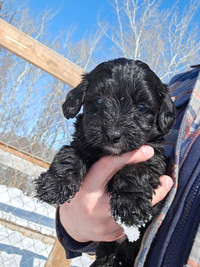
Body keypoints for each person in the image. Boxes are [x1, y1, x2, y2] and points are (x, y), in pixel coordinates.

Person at [56, 65, 200, 266]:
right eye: (99, 101)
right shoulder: (181, 84)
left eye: (141, 108)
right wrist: (73, 228)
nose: (114, 129)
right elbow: (92, 224)